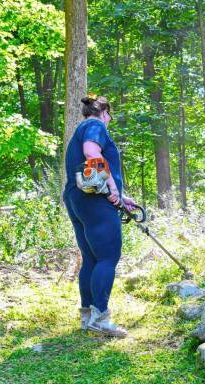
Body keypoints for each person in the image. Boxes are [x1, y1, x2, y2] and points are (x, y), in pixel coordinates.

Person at [63, 94, 136, 338]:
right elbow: (91, 152)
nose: (109, 121)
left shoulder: (81, 128)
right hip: (94, 200)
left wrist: (121, 197)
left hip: (77, 197)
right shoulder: (95, 125)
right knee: (108, 257)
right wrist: (113, 190)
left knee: (91, 258)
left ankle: (87, 316)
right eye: (110, 117)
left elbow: (88, 173)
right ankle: (101, 319)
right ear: (104, 113)